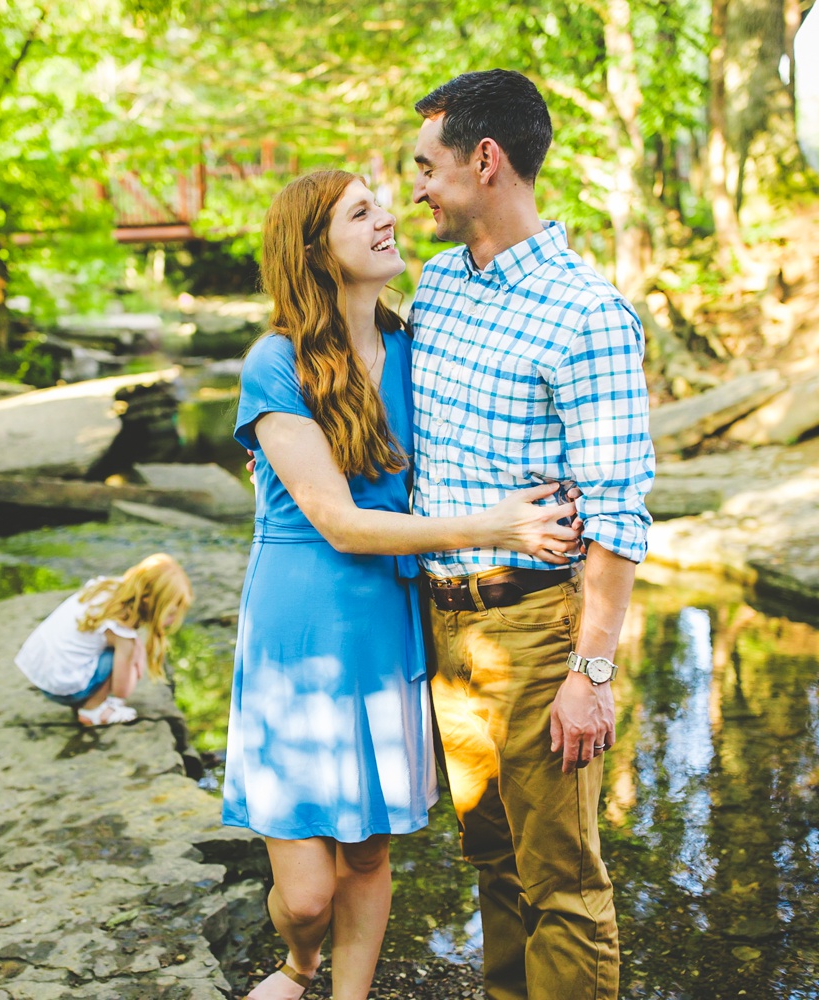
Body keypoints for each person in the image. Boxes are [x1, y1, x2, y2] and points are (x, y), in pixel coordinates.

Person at [224, 169, 585, 1000]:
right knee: (308, 896)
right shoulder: (274, 364)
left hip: (392, 620)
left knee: (370, 850)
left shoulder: (416, 348)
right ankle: (297, 962)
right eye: (362, 212)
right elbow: (342, 522)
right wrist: (497, 525)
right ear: (315, 250)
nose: (389, 217)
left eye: (382, 202)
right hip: (301, 628)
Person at [408, 69, 655, 1000]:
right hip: (450, 632)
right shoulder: (435, 286)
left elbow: (620, 512)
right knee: (495, 862)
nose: (419, 189)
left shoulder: (586, 314)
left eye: (428, 167)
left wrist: (591, 673)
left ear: (485, 160)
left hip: (538, 631)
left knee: (564, 881)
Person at [15, 552, 192, 726]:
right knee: (114, 656)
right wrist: (136, 658)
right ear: (148, 601)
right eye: (170, 613)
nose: (172, 621)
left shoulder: (107, 586)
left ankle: (87, 697)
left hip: (39, 669)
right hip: (61, 688)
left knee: (104, 648)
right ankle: (92, 710)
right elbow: (123, 691)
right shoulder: (121, 632)